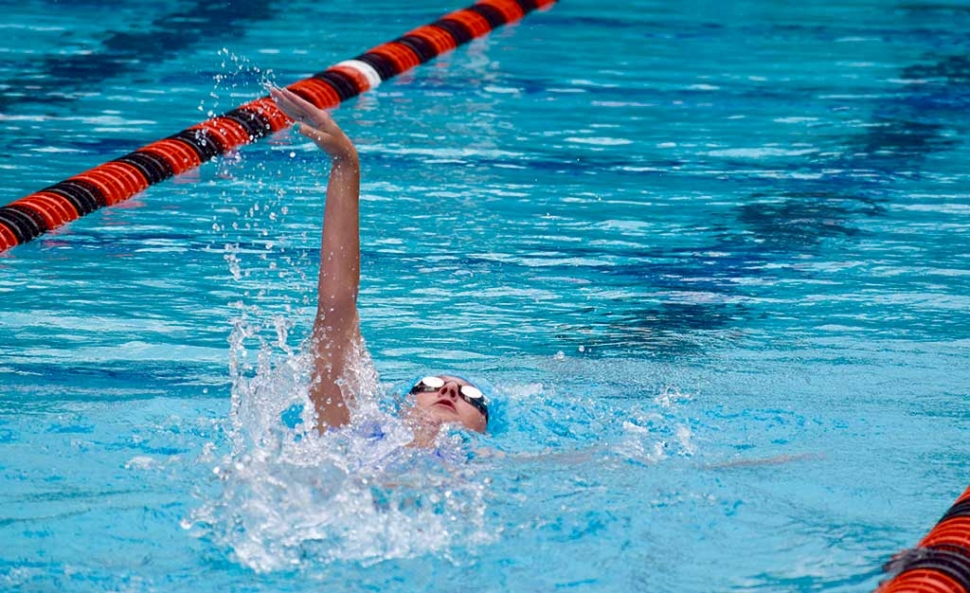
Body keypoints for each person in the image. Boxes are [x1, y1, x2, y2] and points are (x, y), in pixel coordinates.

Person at [268, 86, 489, 447]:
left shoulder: (497, 472)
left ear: (483, 429)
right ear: (402, 403)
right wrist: (345, 164)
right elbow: (336, 307)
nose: (449, 389)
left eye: (472, 397)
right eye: (428, 385)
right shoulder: (349, 434)